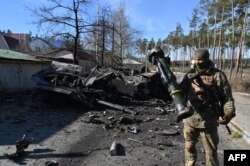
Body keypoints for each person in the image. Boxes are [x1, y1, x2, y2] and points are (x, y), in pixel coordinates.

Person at [179, 48, 236, 166]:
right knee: (189, 147)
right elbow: (180, 92)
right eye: (195, 60)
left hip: (209, 121)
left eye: (200, 60)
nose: (197, 62)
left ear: (206, 59)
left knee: (211, 152)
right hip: (190, 119)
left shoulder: (218, 75)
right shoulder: (189, 74)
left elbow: (227, 98)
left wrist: (228, 112)